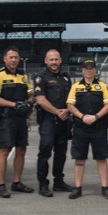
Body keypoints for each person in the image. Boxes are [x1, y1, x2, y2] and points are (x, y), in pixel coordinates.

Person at [0, 46, 34, 198]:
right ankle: (1, 185)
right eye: (11, 57)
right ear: (5, 59)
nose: (13, 60)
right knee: (4, 151)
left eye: (16, 57)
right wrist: (13, 104)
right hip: (6, 119)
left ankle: (17, 182)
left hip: (21, 119)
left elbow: (30, 95)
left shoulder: (23, 76)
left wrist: (28, 103)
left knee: (21, 149)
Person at [66, 59, 108, 200]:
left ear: (95, 70)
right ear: (82, 70)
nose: (88, 70)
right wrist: (83, 116)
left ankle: (105, 188)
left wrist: (96, 117)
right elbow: (70, 105)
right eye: (86, 68)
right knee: (79, 158)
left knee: (101, 158)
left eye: (91, 68)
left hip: (99, 127)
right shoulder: (75, 87)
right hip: (80, 128)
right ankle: (78, 188)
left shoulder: (102, 86)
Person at [34, 49, 74, 197]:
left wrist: (68, 111)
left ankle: (59, 182)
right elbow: (41, 100)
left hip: (64, 122)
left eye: (56, 59)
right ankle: (43, 184)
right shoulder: (41, 77)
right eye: (51, 60)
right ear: (46, 61)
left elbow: (71, 99)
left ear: (60, 60)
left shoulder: (65, 78)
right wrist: (58, 112)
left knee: (61, 153)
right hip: (48, 121)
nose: (54, 62)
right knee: (45, 153)